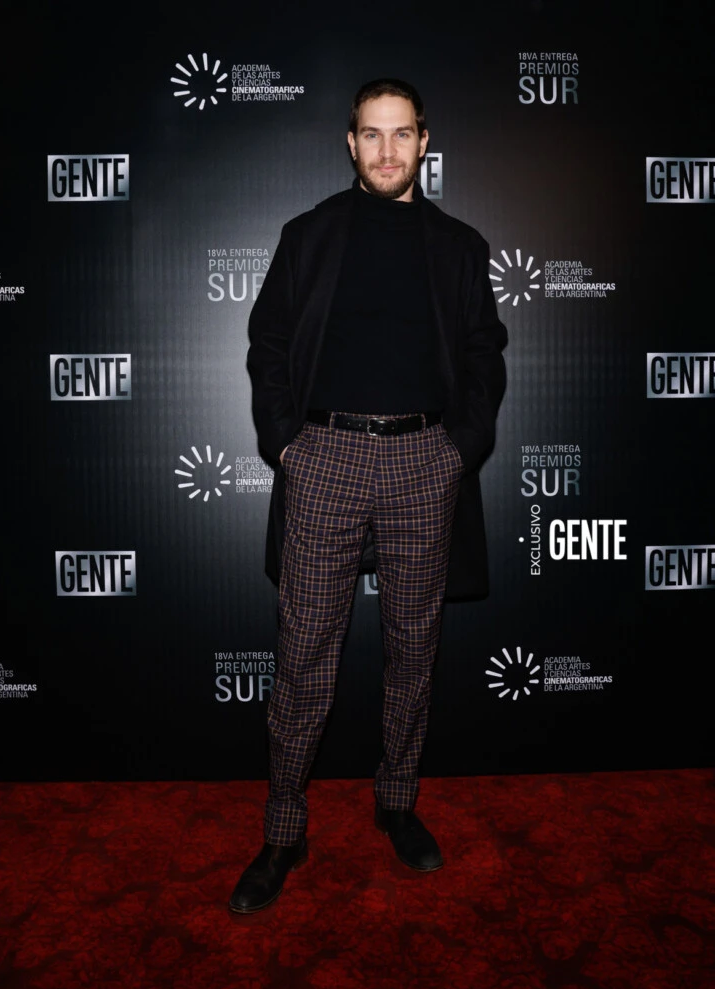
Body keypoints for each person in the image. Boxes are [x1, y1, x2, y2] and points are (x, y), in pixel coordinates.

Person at [228, 77, 507, 914]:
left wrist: (458, 450)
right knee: (303, 653)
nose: (387, 150)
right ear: (351, 143)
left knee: (414, 650)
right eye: (372, 134)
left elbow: (484, 354)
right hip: (326, 458)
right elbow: (268, 343)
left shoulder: (460, 247)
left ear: (424, 141)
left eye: (402, 134)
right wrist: (287, 443)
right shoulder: (309, 236)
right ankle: (284, 829)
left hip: (425, 458)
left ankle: (397, 802)